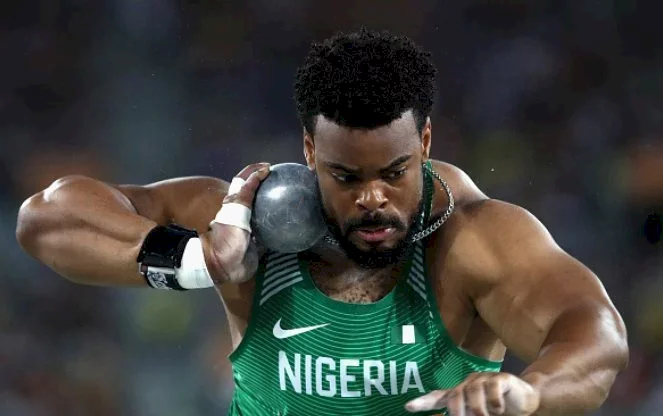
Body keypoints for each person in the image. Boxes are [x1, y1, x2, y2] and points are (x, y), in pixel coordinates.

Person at [16, 28, 628, 416]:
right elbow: (45, 219)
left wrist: (531, 391)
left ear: (426, 143)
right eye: (346, 177)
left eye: (394, 172)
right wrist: (197, 261)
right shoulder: (250, 220)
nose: (373, 199)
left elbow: (594, 332)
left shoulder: (472, 239)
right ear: (309, 152)